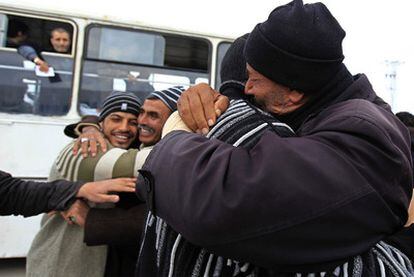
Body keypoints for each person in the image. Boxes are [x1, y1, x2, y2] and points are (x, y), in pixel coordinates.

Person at [136, 0, 413, 275]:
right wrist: (214, 100)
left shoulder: (364, 133)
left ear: (294, 93)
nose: (247, 89)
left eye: (253, 79)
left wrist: (175, 133)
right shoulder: (313, 110)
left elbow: (228, 201)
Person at [26, 91, 145, 277]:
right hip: (60, 262)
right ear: (102, 123)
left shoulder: (119, 149)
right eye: (116, 119)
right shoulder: (85, 150)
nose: (124, 128)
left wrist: (88, 125)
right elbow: (139, 162)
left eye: (133, 122)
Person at [0, 170, 135, 216]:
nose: (124, 128)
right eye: (116, 119)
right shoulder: (81, 151)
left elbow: (13, 193)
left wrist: (78, 190)